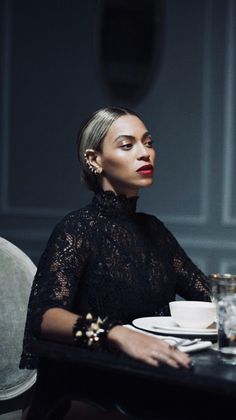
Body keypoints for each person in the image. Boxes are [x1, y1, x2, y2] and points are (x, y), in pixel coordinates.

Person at [20, 106, 211, 418]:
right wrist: (116, 333)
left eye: (148, 142)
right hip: (86, 392)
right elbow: (46, 317)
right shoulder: (78, 228)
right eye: (127, 145)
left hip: (146, 380)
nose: (144, 153)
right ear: (95, 160)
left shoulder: (155, 231)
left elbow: (206, 295)